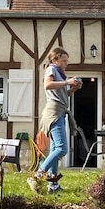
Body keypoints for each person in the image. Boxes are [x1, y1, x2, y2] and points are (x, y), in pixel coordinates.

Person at [30, 47, 81, 194]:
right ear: (55, 60)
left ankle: (53, 185)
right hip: (54, 113)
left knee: (54, 149)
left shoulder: (59, 72)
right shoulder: (51, 69)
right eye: (63, 60)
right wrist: (67, 82)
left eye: (67, 61)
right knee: (62, 148)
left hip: (59, 112)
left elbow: (63, 95)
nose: (66, 63)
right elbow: (47, 85)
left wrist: (74, 88)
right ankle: (39, 173)